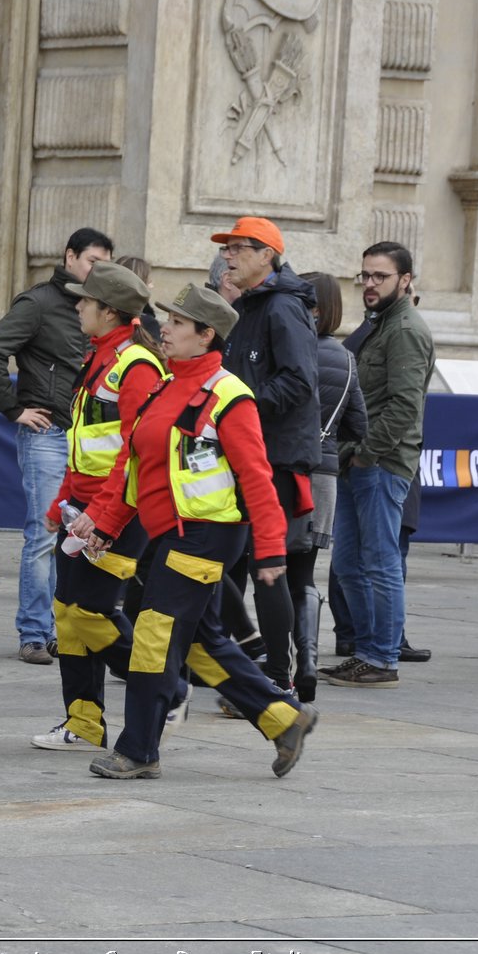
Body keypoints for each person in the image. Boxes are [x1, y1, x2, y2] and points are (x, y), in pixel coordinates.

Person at [80, 282, 318, 780]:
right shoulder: (167, 383)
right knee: (201, 641)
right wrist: (106, 522)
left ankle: (139, 750)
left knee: (152, 636)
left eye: (178, 323)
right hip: (168, 533)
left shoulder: (229, 394)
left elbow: (257, 477)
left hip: (204, 536)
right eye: (167, 319)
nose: (163, 328)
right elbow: (131, 462)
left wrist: (271, 551)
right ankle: (283, 718)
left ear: (207, 335)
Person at [29, 261, 166, 751]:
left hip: (117, 514)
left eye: (85, 301)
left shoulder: (136, 366)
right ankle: (83, 723)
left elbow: (134, 455)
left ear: (109, 311)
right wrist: (64, 500)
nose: (78, 306)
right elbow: (85, 443)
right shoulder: (101, 357)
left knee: (89, 614)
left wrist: (101, 516)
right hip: (84, 508)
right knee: (67, 614)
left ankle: (165, 689)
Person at [0, 227, 113, 664]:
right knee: (42, 533)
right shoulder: (38, 302)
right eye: (92, 261)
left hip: (86, 439)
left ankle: (64, 627)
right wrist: (13, 408)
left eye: (105, 263)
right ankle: (34, 632)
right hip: (48, 435)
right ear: (70, 256)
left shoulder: (99, 309)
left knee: (82, 534)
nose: (98, 270)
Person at [317, 242, 435, 688]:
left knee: (381, 564)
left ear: (405, 280)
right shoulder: (378, 323)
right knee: (348, 564)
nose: (369, 284)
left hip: (382, 465)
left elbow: (405, 406)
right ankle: (365, 652)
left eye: (379, 277)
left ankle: (382, 657)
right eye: (365, 275)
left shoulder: (405, 329)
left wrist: (367, 452)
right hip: (355, 463)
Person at [212, 217, 319, 692]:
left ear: (266, 256)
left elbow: (299, 380)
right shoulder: (249, 306)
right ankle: (234, 666)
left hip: (272, 457)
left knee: (267, 566)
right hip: (246, 452)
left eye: (237, 249)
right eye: (228, 248)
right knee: (225, 563)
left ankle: (278, 677)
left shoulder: (281, 308)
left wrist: (242, 408)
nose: (228, 256)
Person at [292, 272, 366, 702]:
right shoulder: (346, 357)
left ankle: (277, 660)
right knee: (305, 572)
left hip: (284, 472)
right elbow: (360, 424)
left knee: (268, 569)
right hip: (324, 475)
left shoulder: (294, 352)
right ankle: (307, 660)